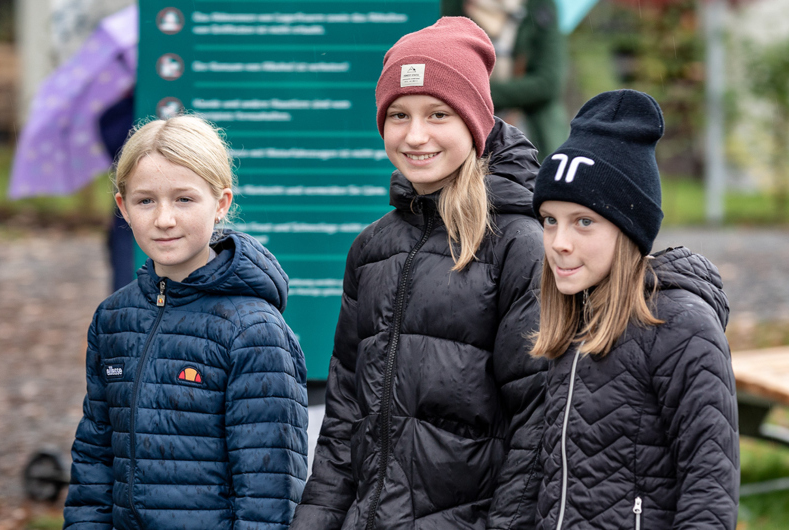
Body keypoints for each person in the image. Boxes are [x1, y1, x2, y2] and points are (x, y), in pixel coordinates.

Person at [291, 17, 546, 530]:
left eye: (438, 114)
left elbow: (538, 424)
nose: (415, 135)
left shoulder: (521, 247)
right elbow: (343, 419)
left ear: (475, 123)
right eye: (398, 115)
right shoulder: (370, 250)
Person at [63, 115, 308, 529]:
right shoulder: (112, 319)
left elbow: (269, 493)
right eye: (145, 201)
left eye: (184, 199)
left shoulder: (254, 332)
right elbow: (95, 458)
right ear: (123, 207)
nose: (164, 219)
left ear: (221, 204)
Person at [530, 89, 739, 529]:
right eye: (550, 220)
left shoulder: (682, 326)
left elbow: (710, 490)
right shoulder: (567, 317)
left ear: (629, 229)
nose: (559, 242)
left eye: (584, 221)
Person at [442, 0, 569, 160]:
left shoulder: (539, 6)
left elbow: (547, 83)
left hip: (531, 125)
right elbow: (443, 78)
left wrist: (476, 94)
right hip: (467, 123)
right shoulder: (449, 6)